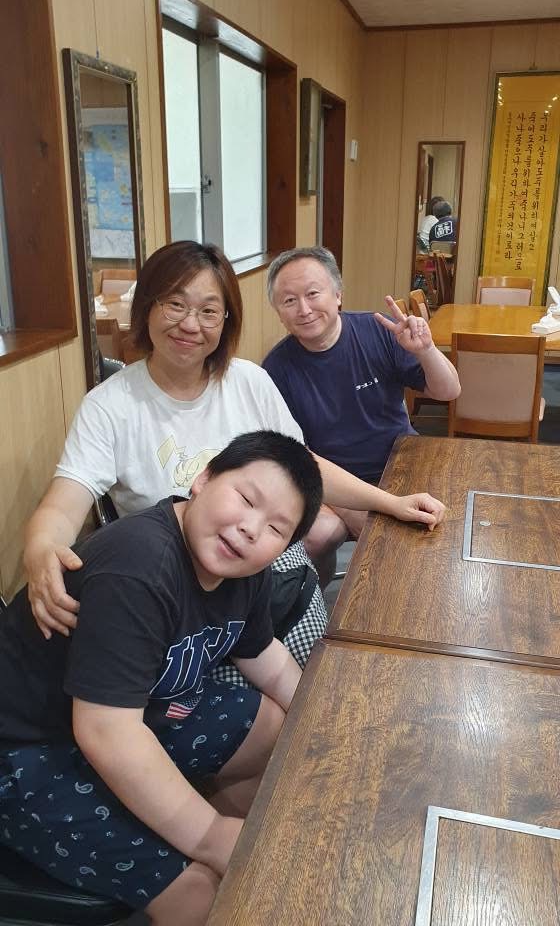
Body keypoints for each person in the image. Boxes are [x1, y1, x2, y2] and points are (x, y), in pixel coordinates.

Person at [25, 240, 445, 652]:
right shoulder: (109, 405)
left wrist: (391, 503)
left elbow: (304, 466)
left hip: (264, 567)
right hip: (174, 586)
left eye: (209, 311)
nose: (191, 325)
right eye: (175, 305)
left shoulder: (248, 381)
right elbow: (65, 503)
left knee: (315, 669)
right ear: (147, 307)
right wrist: (42, 547)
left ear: (226, 320)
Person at [0, 431, 323, 925]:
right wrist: (211, 836)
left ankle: (195, 832)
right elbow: (107, 732)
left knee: (273, 727)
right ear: (203, 479)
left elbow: (263, 654)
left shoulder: (246, 571)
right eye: (245, 499)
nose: (251, 529)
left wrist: (325, 725)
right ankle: (192, 858)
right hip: (30, 748)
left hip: (134, 713)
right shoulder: (140, 566)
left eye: (276, 529)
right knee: (201, 893)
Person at [263, 246, 460, 586]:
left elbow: (448, 391)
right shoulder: (275, 370)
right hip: (333, 483)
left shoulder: (378, 331)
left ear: (338, 294)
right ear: (279, 312)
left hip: (401, 462)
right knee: (323, 534)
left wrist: (426, 350)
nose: (304, 309)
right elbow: (294, 458)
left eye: (313, 294)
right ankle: (318, 603)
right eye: (289, 300)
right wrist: (360, 506)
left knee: (440, 522)